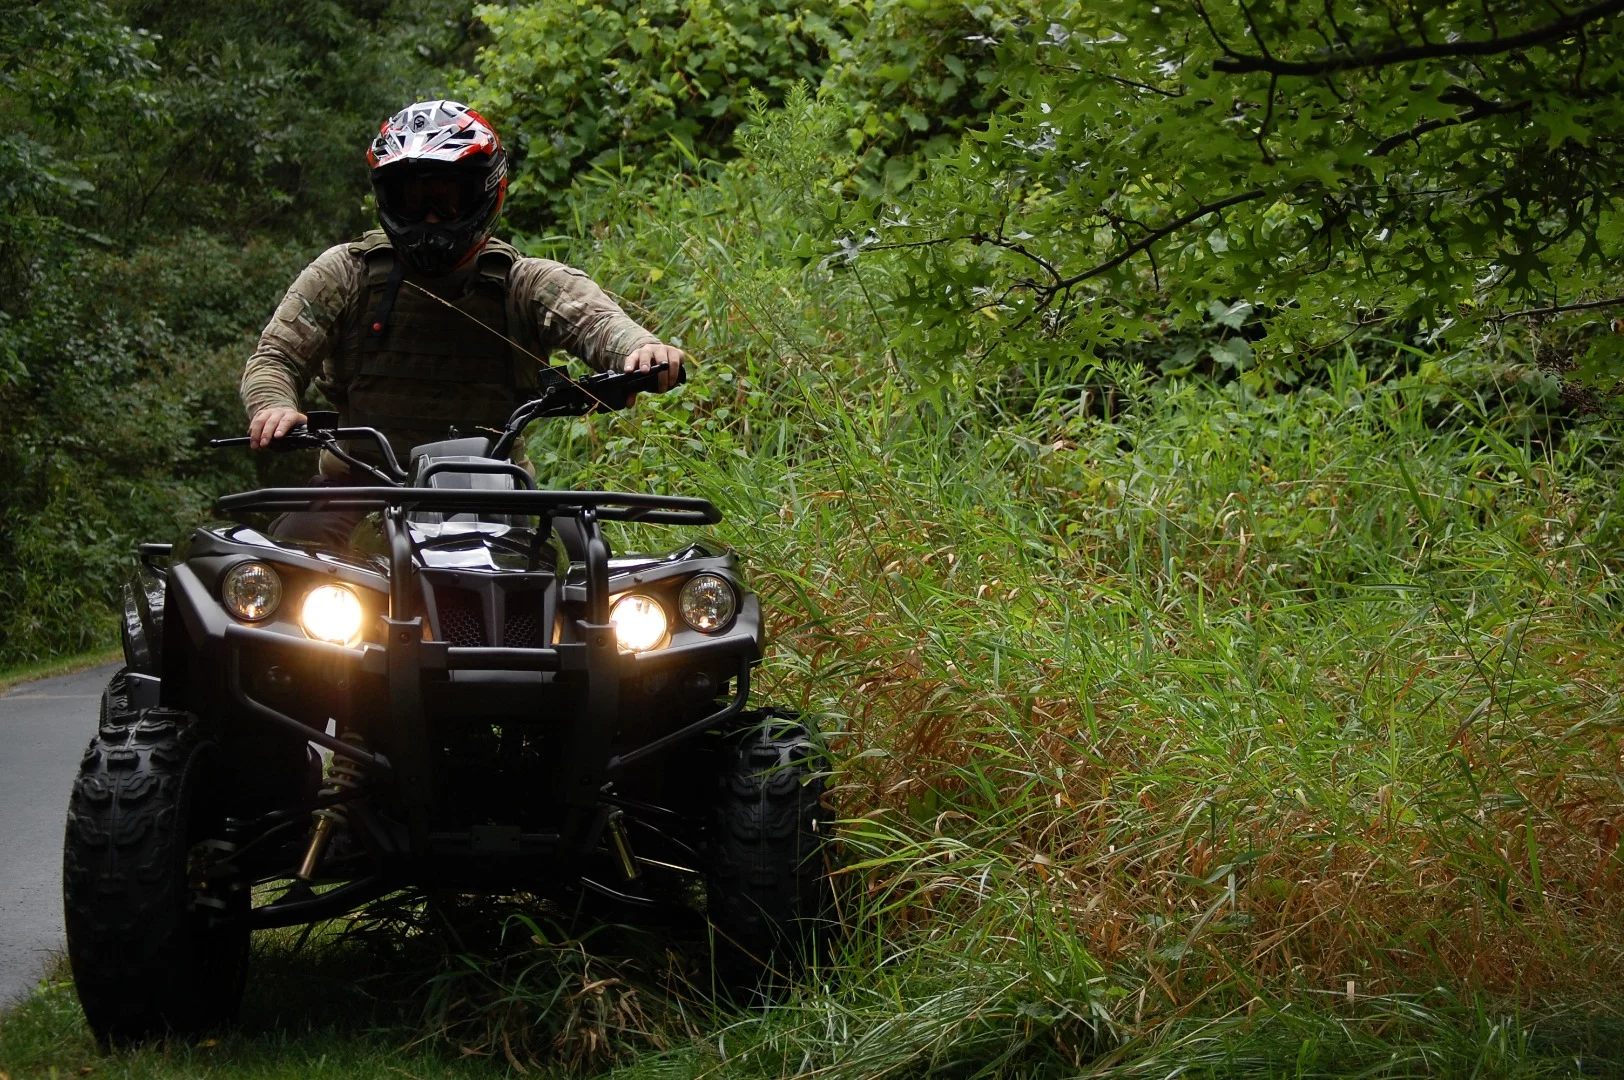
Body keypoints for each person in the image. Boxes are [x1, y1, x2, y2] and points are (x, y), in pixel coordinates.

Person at [239, 99, 683, 547]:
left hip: (498, 490)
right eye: (413, 201)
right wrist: (273, 406)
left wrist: (641, 350)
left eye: (447, 201)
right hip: (357, 488)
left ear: (485, 193)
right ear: (388, 199)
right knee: (295, 551)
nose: (430, 218)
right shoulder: (345, 274)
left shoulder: (524, 283)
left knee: (582, 554)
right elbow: (275, 358)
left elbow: (597, 323)